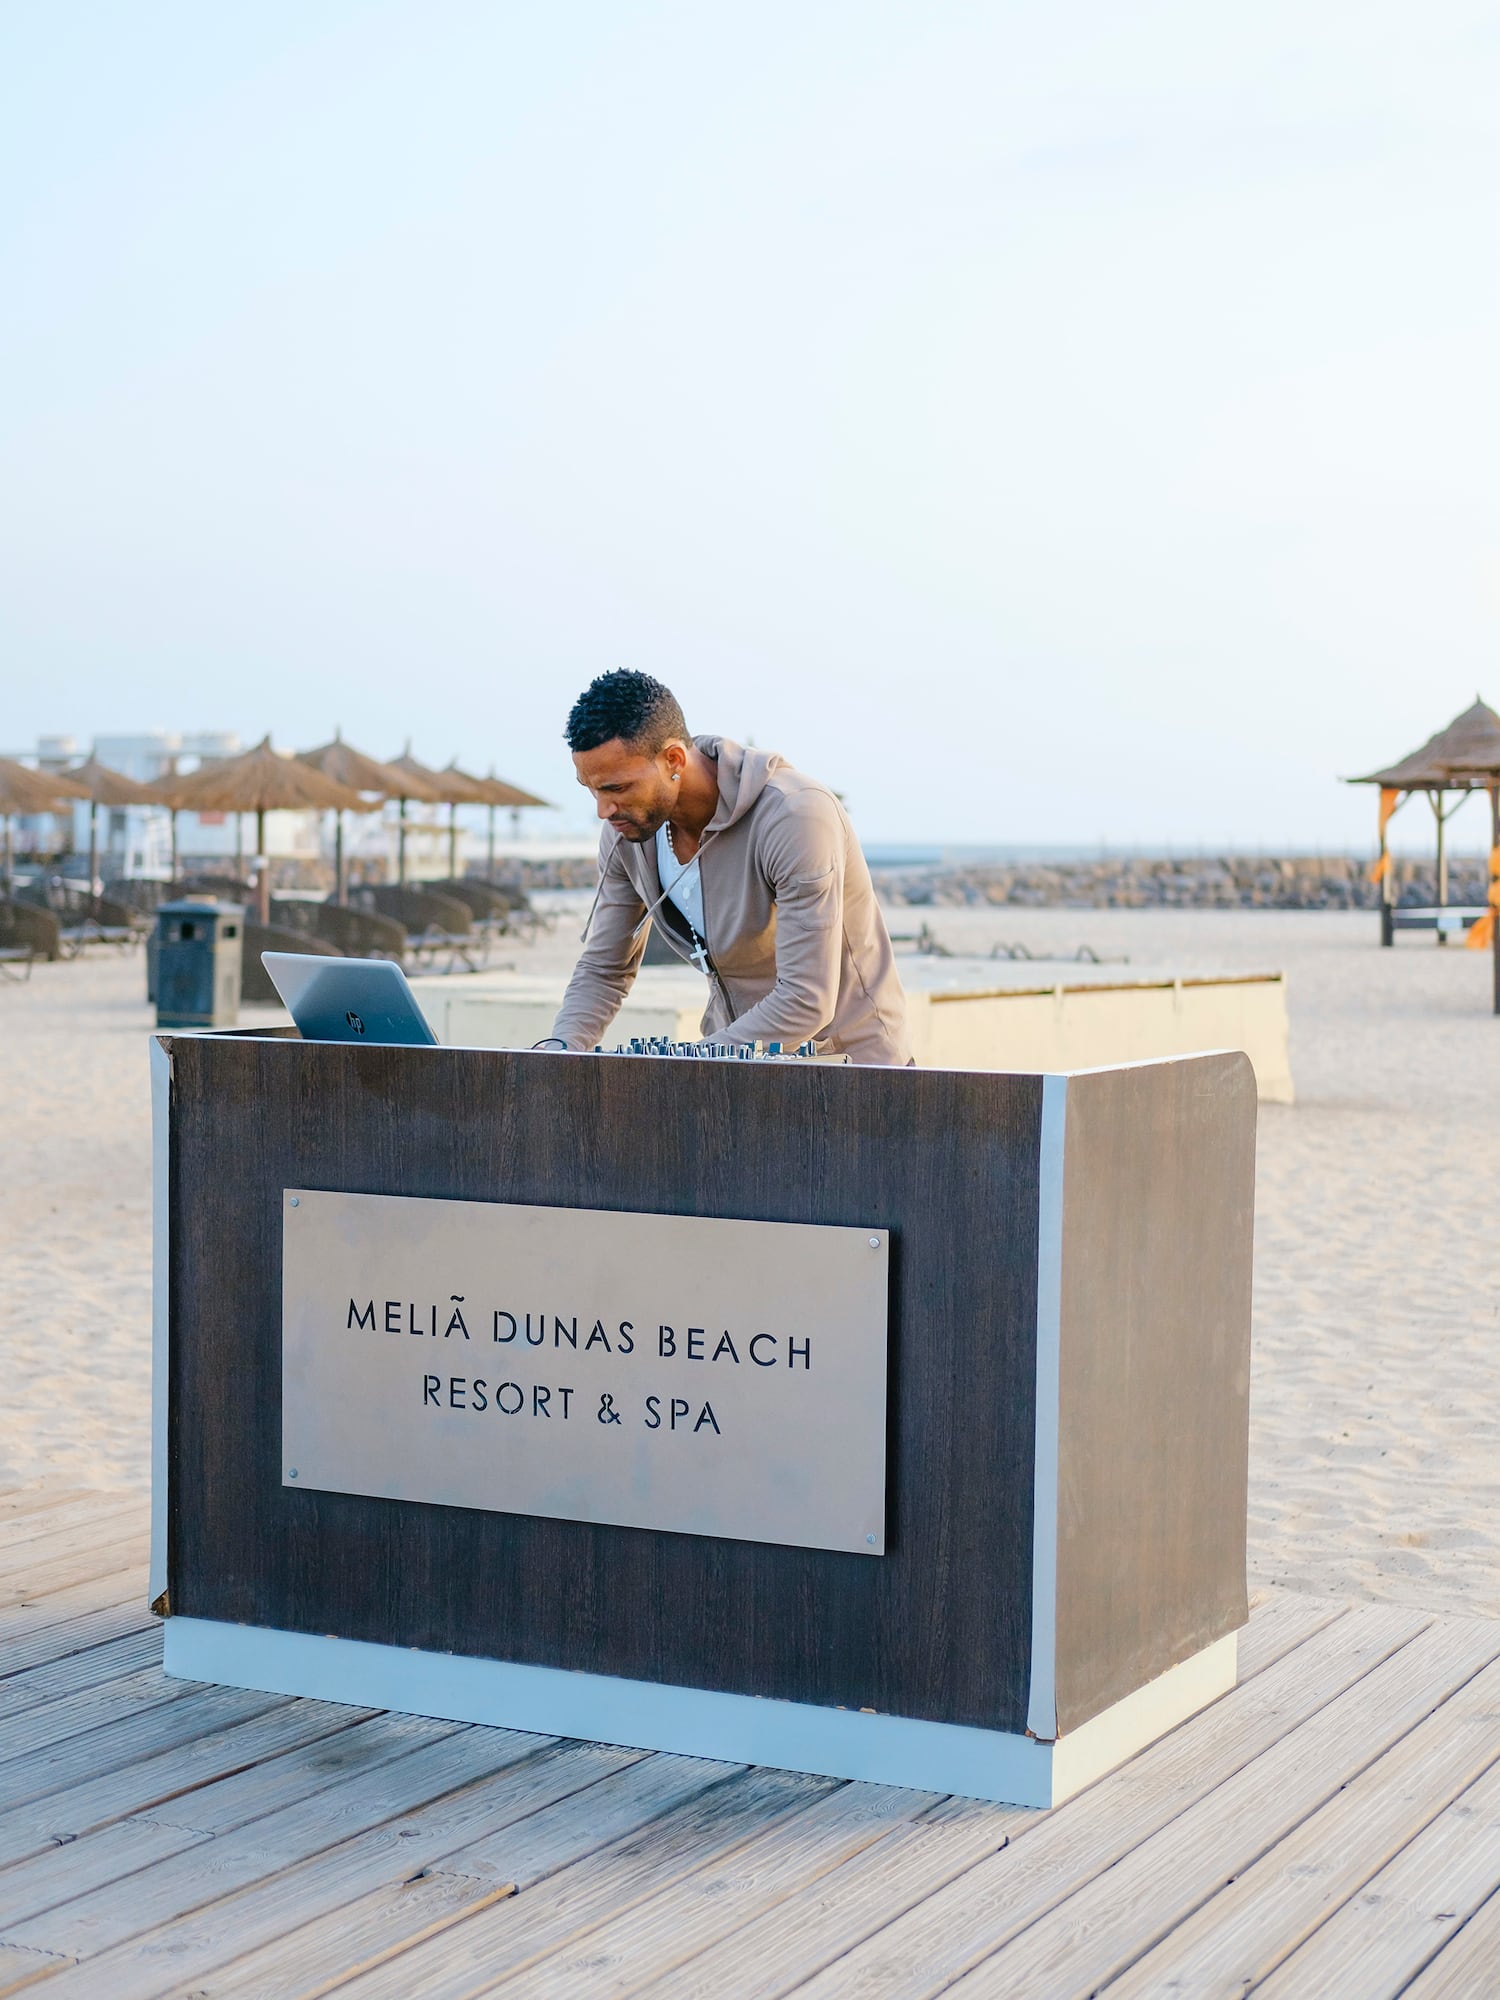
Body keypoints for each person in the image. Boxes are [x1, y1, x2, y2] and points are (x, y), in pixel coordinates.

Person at [546, 670, 910, 1064]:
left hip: (853, 1072)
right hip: (735, 1068)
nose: (603, 810)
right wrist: (557, 1051)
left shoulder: (794, 816)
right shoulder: (629, 833)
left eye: (617, 788)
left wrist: (688, 1063)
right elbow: (605, 967)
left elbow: (806, 998)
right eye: (592, 789)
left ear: (673, 759)